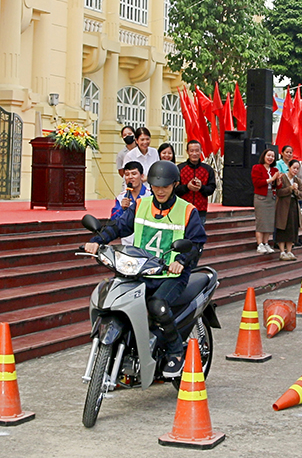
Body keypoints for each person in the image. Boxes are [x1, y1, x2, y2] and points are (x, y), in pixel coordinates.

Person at [83, 160, 206, 378]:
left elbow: (196, 243)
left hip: (171, 274)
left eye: (165, 186)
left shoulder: (187, 211)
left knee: (157, 304)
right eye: (156, 185)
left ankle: (176, 352)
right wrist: (97, 240)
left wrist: (182, 260)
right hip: (140, 269)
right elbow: (119, 226)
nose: (160, 190)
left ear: (175, 185)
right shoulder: (141, 205)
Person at [176, 140, 216, 225]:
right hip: (182, 209)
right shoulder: (179, 169)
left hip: (200, 210)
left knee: (198, 236)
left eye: (197, 150)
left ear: (201, 151)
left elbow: (211, 189)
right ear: (187, 152)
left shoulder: (208, 170)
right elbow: (174, 190)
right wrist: (187, 187)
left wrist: (201, 188)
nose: (194, 153)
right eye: (192, 151)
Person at [111, 161, 150, 245]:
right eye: (127, 174)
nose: (130, 177)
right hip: (127, 243)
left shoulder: (150, 195)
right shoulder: (120, 197)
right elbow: (114, 221)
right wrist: (122, 208)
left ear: (142, 176)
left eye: (134, 174)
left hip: (146, 242)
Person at [252, 148, 281, 254]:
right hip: (261, 197)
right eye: (268, 155)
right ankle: (259, 244)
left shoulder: (274, 170)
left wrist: (278, 181)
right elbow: (257, 182)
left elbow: (278, 186)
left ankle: (266, 243)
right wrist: (271, 179)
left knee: (269, 221)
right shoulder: (257, 167)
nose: (270, 158)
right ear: (264, 156)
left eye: (272, 156)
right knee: (261, 221)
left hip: (271, 197)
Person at [275, 159, 302, 261]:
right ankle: (282, 251)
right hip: (283, 206)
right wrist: (290, 189)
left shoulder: (298, 180)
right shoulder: (282, 178)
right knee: (282, 227)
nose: (295, 170)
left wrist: (296, 191)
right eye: (294, 168)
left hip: (293, 206)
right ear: (289, 167)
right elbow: (279, 192)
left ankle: (289, 251)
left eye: (297, 168)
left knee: (292, 228)